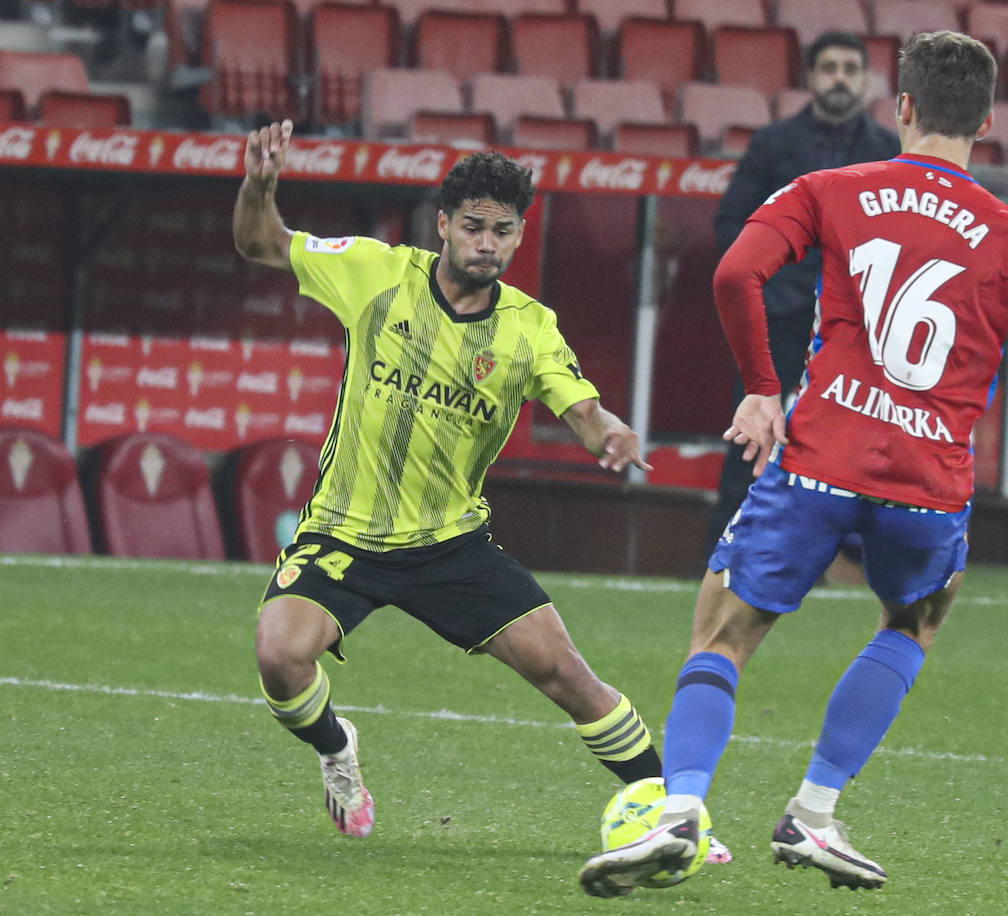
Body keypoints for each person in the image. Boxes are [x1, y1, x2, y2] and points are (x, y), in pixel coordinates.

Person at [579, 31, 1008, 898]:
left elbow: (737, 270)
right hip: (927, 488)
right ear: (988, 120)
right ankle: (814, 813)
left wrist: (761, 390)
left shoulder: (833, 188)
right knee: (913, 622)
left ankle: (680, 813)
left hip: (816, 462)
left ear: (901, 108)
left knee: (723, 634)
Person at [234, 125, 733, 859]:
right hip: (346, 532)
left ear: (518, 234)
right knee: (279, 654)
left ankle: (674, 816)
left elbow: (582, 411)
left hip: (450, 545)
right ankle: (337, 748)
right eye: (473, 227)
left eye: (502, 231)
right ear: (443, 225)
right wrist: (259, 184)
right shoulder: (375, 272)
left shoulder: (529, 329)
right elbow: (261, 243)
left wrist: (610, 434)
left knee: (567, 673)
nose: (486, 244)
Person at [705, 30, 901, 556]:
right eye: (830, 67)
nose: (840, 77)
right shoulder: (773, 143)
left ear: (866, 81)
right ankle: (727, 551)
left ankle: (862, 559)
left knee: (863, 436)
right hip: (781, 318)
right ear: (811, 78)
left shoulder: (889, 150)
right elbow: (733, 224)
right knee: (753, 433)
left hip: (860, 326)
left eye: (851, 68)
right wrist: (770, 283)